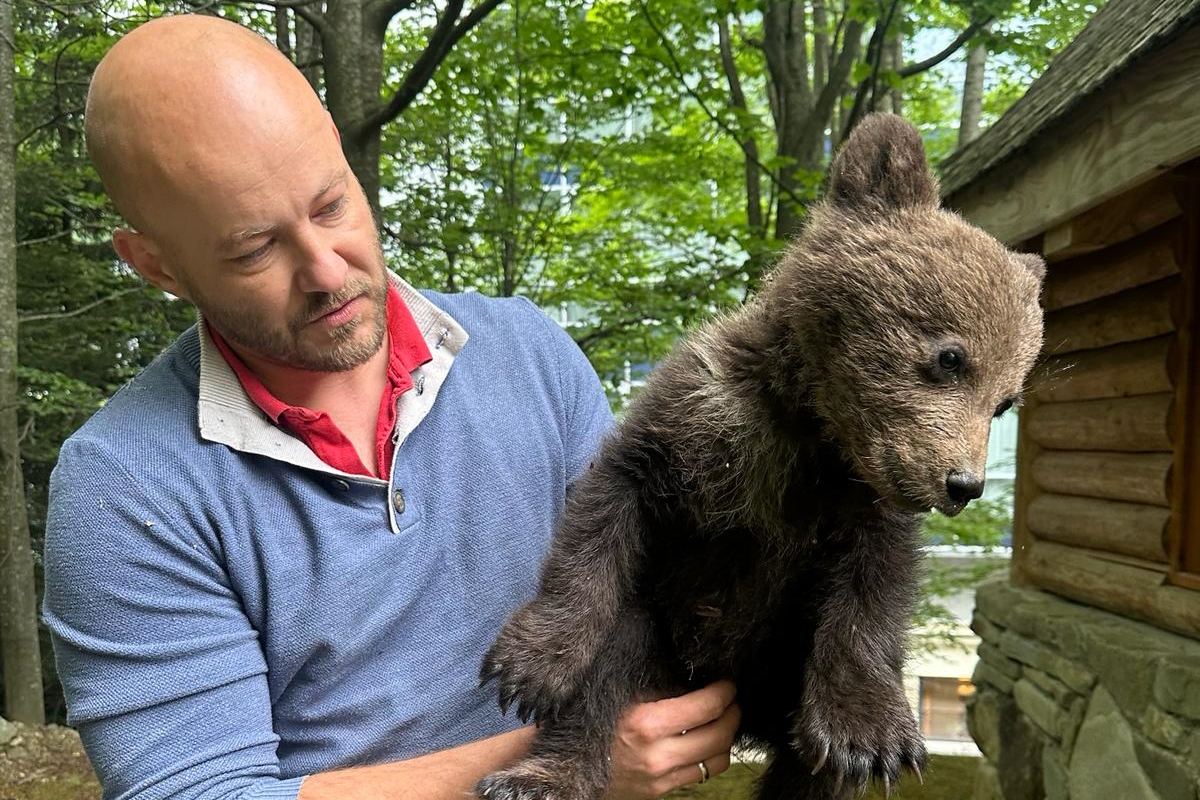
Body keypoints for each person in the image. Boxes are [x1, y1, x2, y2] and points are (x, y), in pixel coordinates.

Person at [41, 13, 740, 800]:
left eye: (331, 203)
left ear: (339, 148)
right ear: (157, 263)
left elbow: (675, 601)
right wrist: (573, 762)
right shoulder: (127, 487)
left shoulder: (531, 357)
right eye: (254, 250)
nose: (325, 268)